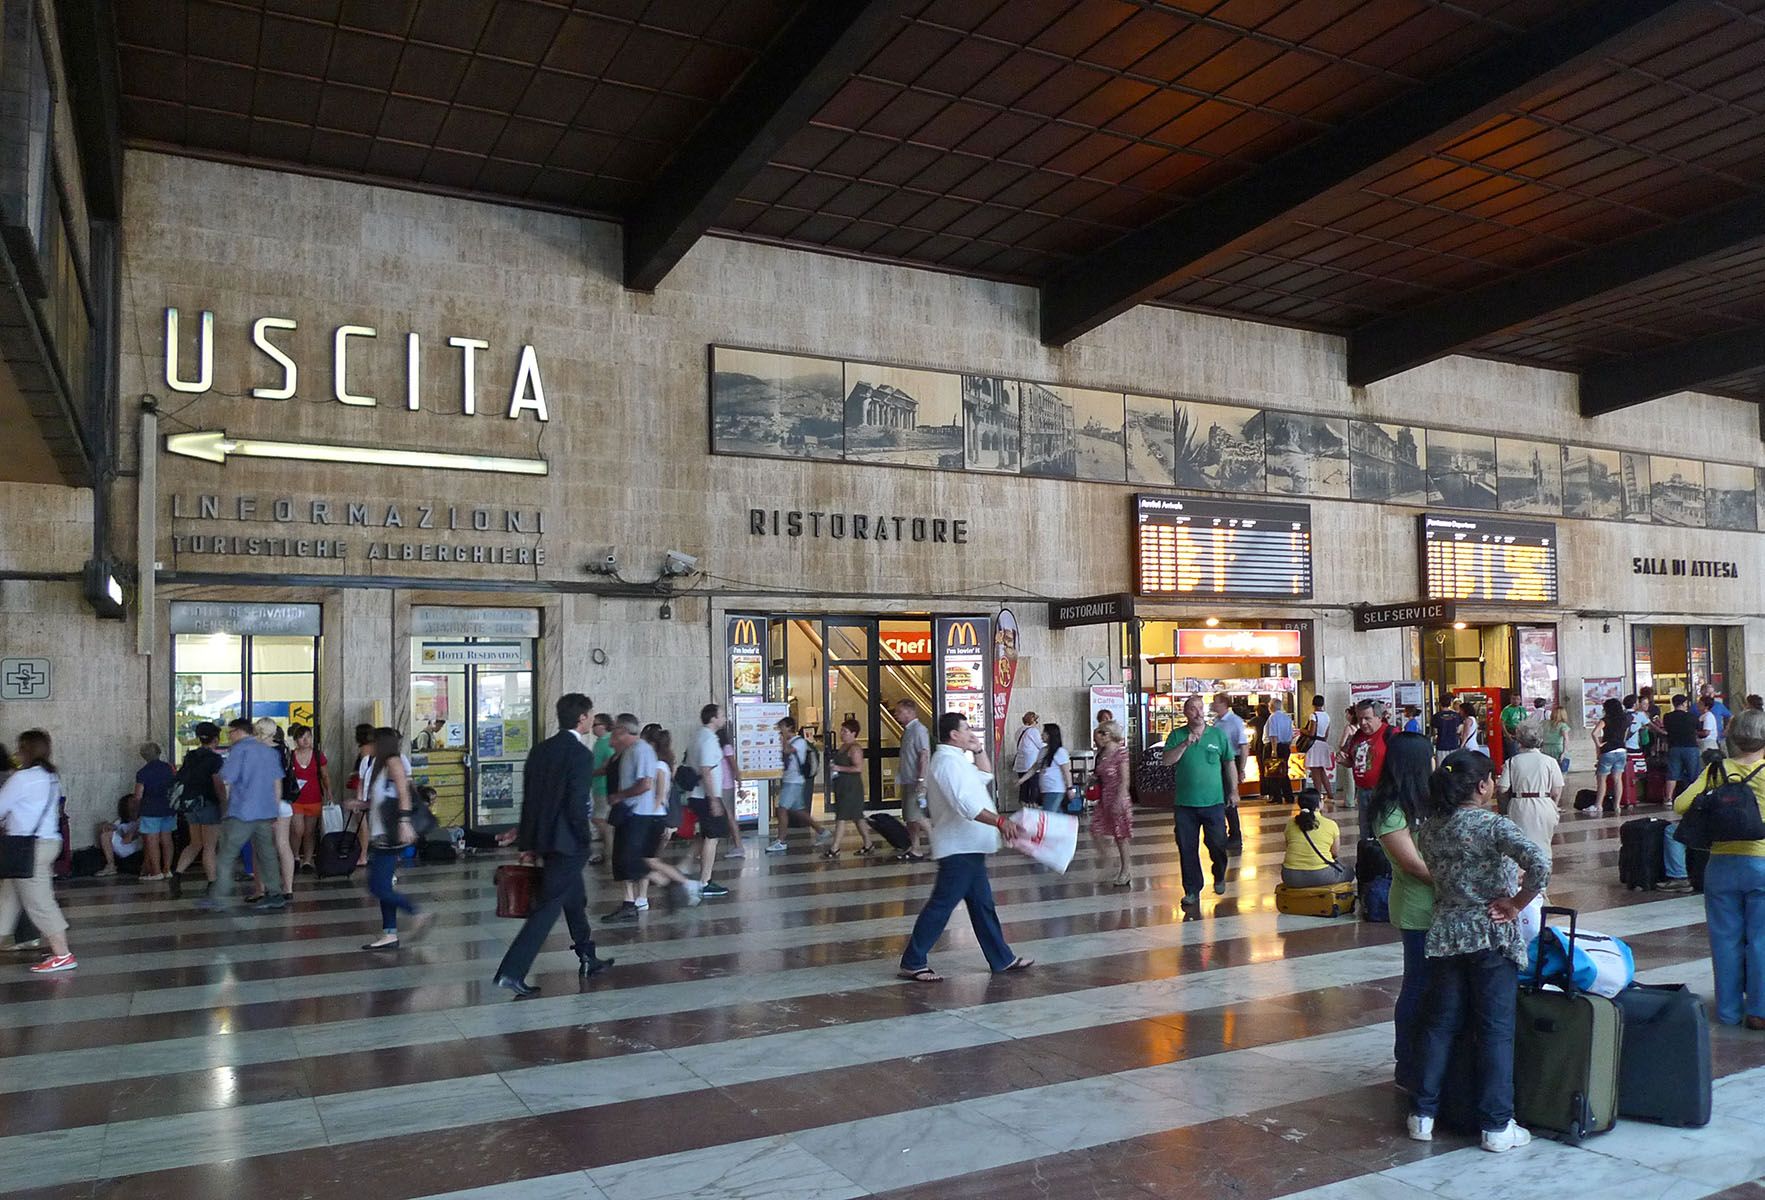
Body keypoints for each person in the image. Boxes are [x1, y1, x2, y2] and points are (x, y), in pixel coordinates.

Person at [1406, 750, 1549, 1153]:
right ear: (1482, 785)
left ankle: (1423, 1113)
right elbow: (1539, 863)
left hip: (1446, 932)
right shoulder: (1491, 825)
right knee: (1495, 1029)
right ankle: (1497, 1125)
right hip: (1490, 933)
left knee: (1440, 1024)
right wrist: (1517, 903)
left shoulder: (1431, 828)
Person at [896, 713, 1031, 982]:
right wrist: (1000, 821)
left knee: (982, 905)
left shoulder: (958, 760)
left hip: (969, 846)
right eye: (966, 728)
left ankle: (1001, 958)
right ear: (953, 734)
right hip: (958, 848)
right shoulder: (946, 763)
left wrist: (978, 748)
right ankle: (913, 960)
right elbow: (966, 805)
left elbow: (986, 775)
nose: (970, 732)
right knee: (942, 905)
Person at [493, 693, 611, 996]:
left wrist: (527, 841)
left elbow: (530, 800)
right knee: (546, 909)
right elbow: (575, 805)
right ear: (582, 718)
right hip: (568, 843)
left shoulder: (540, 750)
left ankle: (588, 956)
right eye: (589, 715)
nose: (590, 720)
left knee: (574, 899)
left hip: (545, 839)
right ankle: (511, 971)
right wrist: (585, 839)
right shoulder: (580, 755)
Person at [1674, 708, 1765, 1027]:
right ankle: (1759, 1010)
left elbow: (1680, 805)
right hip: (1762, 862)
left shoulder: (1717, 769)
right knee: (1761, 939)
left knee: (1724, 938)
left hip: (1721, 864)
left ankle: (1727, 1011)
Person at [1369, 731, 1436, 1094]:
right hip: (1416, 906)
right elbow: (1412, 865)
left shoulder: (1427, 801)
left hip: (1442, 905)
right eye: (1428, 757)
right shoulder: (1390, 810)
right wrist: (1460, 881)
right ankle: (1407, 1062)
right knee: (1417, 984)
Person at [604, 716, 696, 918]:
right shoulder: (628, 751)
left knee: (633, 860)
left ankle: (672, 883)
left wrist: (620, 796)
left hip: (640, 815)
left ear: (623, 730)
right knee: (624, 860)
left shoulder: (642, 750)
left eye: (616, 729)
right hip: (630, 814)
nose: (613, 734)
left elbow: (646, 784)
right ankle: (631, 903)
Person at [0, 730, 75, 973]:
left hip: (28, 847)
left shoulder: (22, 778)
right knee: (9, 897)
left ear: (25, 750)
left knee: (40, 902)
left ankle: (62, 954)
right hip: (43, 843)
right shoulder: (50, 777)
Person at [200, 718, 287, 912]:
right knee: (267, 854)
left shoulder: (239, 750)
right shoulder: (269, 751)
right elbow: (277, 782)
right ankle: (275, 894)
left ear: (239, 731)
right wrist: (275, 808)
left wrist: (226, 807)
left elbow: (227, 777)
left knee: (226, 854)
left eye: (230, 732)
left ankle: (219, 896)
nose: (229, 735)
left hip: (243, 812)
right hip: (266, 811)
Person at [360, 728, 432, 951]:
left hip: (390, 836)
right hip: (381, 834)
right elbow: (384, 799)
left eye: (371, 742)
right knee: (382, 885)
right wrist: (361, 805)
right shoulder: (379, 765)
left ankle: (416, 911)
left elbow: (404, 793)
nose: (367, 746)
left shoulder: (393, 762)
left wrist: (404, 822)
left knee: (377, 886)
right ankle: (390, 933)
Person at [1163, 696, 1238, 906]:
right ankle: (1192, 889)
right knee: (1187, 847)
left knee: (1217, 843)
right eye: (1192, 709)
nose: (1197, 712)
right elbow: (1167, 760)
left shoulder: (1217, 735)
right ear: (1185, 713)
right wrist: (1185, 744)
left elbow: (1229, 763)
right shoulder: (1177, 735)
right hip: (1185, 805)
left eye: (1199, 708)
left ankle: (1219, 871)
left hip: (1214, 803)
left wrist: (1234, 791)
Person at [1498, 722, 1563, 869]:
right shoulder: (1550, 761)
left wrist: (1503, 810)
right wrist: (1553, 805)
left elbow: (1502, 788)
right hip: (1544, 804)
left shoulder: (1512, 761)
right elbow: (1556, 791)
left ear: (1519, 740)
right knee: (1544, 844)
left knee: (1520, 844)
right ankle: (1542, 882)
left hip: (1519, 805)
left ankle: (1522, 880)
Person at [170, 722, 226, 892]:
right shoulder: (215, 759)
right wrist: (224, 804)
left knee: (195, 843)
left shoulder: (191, 756)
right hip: (209, 805)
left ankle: (177, 875)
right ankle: (212, 882)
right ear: (215, 739)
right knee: (209, 847)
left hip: (191, 805)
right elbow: (218, 784)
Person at [685, 705, 733, 893]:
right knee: (712, 837)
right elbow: (706, 770)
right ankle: (705, 881)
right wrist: (713, 799)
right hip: (707, 795)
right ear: (713, 718)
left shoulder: (698, 736)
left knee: (705, 834)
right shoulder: (709, 740)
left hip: (699, 795)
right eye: (721, 715)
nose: (724, 718)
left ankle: (683, 867)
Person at [767, 716, 830, 853]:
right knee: (799, 811)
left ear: (789, 727)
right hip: (791, 780)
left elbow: (787, 751)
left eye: (782, 728)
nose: (780, 731)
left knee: (782, 809)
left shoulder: (799, 742)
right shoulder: (789, 741)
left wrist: (783, 738)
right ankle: (821, 831)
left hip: (794, 782)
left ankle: (781, 840)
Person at [1340, 700, 1395, 833]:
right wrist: (1345, 761)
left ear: (1378, 717)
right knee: (1366, 830)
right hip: (1363, 791)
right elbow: (1353, 761)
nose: (1363, 723)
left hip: (1384, 792)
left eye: (1367, 718)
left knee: (1384, 831)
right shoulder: (1358, 735)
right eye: (1360, 718)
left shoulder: (1391, 734)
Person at [1090, 722, 1133, 886]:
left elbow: (1124, 779)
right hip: (1104, 798)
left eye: (1098, 737)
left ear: (1107, 735)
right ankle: (1107, 859)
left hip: (1118, 797)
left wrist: (1120, 799)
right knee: (1095, 829)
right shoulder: (1102, 753)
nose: (1096, 742)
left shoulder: (1120, 753)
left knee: (1120, 835)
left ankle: (1126, 870)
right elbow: (1099, 773)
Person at [828, 717, 877, 857]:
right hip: (842, 785)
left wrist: (839, 767)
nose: (842, 733)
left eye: (845, 731)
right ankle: (868, 844)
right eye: (842, 730)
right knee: (857, 817)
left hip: (851, 787)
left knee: (842, 817)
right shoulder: (843, 746)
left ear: (853, 733)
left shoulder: (855, 749)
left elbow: (858, 768)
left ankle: (835, 848)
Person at [1281, 788, 1348, 889]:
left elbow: (1288, 846)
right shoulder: (1330, 824)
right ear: (1318, 804)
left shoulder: (1291, 823)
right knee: (1349, 872)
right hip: (1320, 875)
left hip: (1290, 876)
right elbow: (1335, 853)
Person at [892, 699, 931, 861]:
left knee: (917, 816)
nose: (896, 715)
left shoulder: (919, 730)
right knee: (910, 817)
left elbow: (924, 755)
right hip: (908, 779)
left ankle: (939, 844)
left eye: (899, 712)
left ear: (909, 712)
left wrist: (921, 779)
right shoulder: (907, 731)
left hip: (916, 781)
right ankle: (915, 848)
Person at [287, 723, 328, 875]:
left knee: (310, 831)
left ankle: (307, 860)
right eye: (302, 737)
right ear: (296, 740)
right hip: (296, 799)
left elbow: (325, 775)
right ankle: (295, 856)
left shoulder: (318, 755)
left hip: (314, 797)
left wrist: (329, 792)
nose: (305, 740)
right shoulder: (290, 756)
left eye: (308, 737)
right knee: (297, 830)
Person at [132, 742, 177, 881]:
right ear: (159, 752)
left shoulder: (142, 772)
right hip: (168, 808)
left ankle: (156, 872)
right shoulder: (169, 768)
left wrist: (136, 811)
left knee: (152, 841)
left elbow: (138, 795)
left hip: (150, 809)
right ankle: (167, 869)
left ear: (143, 756)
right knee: (167, 839)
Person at [1211, 696, 1249, 850]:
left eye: (1216, 702)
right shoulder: (1216, 722)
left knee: (1229, 798)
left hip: (1231, 760)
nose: (1213, 704)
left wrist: (1241, 769)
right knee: (1219, 797)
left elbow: (1243, 745)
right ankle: (1223, 832)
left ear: (1224, 704)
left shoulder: (1235, 721)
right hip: (1218, 762)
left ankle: (1235, 835)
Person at [1591, 697, 1629, 815]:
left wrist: (1599, 744)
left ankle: (1598, 805)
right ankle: (1617, 806)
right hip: (1622, 750)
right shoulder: (1625, 719)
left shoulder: (1605, 720)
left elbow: (1594, 733)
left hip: (1608, 751)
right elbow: (1625, 736)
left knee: (1602, 779)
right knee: (1618, 779)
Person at [1661, 694, 1703, 800]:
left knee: (1672, 774)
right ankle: (1694, 796)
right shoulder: (1692, 717)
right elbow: (1699, 729)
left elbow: (1666, 729)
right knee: (1693, 774)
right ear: (1684, 703)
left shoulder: (1667, 717)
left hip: (1674, 747)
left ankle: (1669, 798)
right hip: (1690, 747)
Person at [347, 723, 375, 867]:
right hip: (369, 791)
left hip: (362, 791)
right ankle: (364, 854)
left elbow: (363, 773)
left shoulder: (364, 750)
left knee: (362, 824)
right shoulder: (374, 748)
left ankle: (363, 855)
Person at [1031, 722, 1076, 814]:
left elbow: (1066, 772)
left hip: (1055, 790)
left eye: (1045, 732)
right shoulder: (1043, 751)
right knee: (1057, 816)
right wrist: (1021, 780)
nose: (1042, 734)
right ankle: (1067, 828)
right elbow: (1034, 768)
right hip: (1045, 789)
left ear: (1051, 735)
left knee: (1048, 815)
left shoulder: (1060, 752)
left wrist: (1070, 788)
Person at [588, 713, 615, 865]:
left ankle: (610, 854)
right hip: (598, 787)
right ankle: (608, 852)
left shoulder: (608, 742)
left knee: (600, 820)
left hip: (605, 787)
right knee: (602, 821)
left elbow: (609, 766)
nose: (593, 728)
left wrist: (590, 773)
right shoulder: (600, 742)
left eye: (595, 724)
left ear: (604, 725)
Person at [95, 794, 143, 877]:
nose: (135, 804)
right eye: (132, 802)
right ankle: (111, 865)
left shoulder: (142, 820)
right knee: (105, 834)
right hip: (123, 848)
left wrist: (133, 832)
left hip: (136, 848)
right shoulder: (121, 821)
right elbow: (106, 828)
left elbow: (127, 839)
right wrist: (107, 826)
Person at [1302, 695, 1334, 810]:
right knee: (1322, 771)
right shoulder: (1327, 716)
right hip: (1323, 744)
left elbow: (1311, 732)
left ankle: (1317, 796)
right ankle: (1330, 794)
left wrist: (1302, 730)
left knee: (1315, 772)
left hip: (1314, 744)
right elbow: (1326, 734)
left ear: (1313, 704)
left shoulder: (1313, 715)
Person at [718, 723, 745, 859]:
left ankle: (738, 845)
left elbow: (734, 767)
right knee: (726, 816)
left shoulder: (726, 748)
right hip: (722, 785)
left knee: (729, 816)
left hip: (725, 786)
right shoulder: (721, 748)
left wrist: (740, 785)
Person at [1263, 699, 1295, 806]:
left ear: (1272, 706)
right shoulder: (1287, 718)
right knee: (1283, 772)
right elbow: (1291, 735)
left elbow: (1273, 735)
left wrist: (1274, 750)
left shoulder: (1273, 717)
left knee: (1273, 773)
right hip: (1285, 747)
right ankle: (1288, 795)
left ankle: (1276, 796)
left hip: (1274, 746)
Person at [1012, 712, 1043, 811]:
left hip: (1020, 763)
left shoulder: (1019, 731)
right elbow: (1040, 745)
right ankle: (1032, 807)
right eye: (1035, 720)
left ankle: (1024, 807)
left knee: (1024, 787)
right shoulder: (1033, 731)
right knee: (1034, 787)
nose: (1037, 723)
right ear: (1032, 721)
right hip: (1031, 763)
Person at [1542, 704, 1571, 773]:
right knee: (1559, 771)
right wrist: (1564, 752)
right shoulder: (1563, 725)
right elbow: (1566, 739)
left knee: (1547, 771)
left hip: (1545, 748)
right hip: (1558, 748)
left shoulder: (1544, 723)